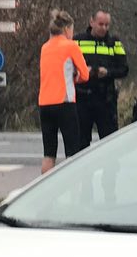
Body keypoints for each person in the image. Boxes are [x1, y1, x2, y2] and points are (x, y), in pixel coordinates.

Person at [38, 9, 90, 174]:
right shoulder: (70, 46)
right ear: (67, 29)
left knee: (49, 153)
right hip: (64, 102)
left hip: (45, 103)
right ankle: (72, 188)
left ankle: (45, 189)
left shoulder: (44, 48)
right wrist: (75, 78)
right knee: (72, 152)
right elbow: (85, 75)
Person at [74, 10, 129, 148]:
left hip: (105, 99)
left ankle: (110, 169)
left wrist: (108, 72)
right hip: (82, 97)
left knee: (109, 142)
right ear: (91, 22)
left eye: (107, 25)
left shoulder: (114, 43)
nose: (104, 28)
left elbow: (124, 69)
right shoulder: (78, 41)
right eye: (101, 24)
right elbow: (68, 67)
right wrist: (83, 71)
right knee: (80, 142)